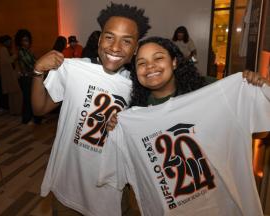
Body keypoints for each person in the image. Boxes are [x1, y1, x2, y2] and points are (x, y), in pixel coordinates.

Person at [98, 37, 270, 216]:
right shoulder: (135, 114)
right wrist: (117, 129)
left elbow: (261, 132)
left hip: (223, 204)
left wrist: (259, 86)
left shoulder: (210, 90)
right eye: (141, 63)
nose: (150, 66)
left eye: (158, 58)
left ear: (174, 62)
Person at [31, 3, 151, 216]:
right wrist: (38, 70)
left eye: (126, 41)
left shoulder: (139, 88)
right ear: (99, 39)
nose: (115, 47)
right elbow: (39, 109)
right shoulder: (76, 69)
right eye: (109, 37)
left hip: (108, 196)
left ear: (135, 49)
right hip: (67, 188)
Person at [15, 29, 42, 124]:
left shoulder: (28, 51)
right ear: (20, 41)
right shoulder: (21, 52)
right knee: (28, 99)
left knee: (32, 98)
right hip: (26, 78)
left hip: (31, 77)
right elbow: (32, 64)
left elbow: (35, 62)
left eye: (27, 40)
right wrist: (38, 65)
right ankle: (27, 119)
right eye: (24, 40)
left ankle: (33, 118)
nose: (26, 42)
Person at [0, 35, 22, 115]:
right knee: (16, 93)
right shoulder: (3, 49)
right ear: (5, 42)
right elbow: (7, 61)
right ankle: (17, 111)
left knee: (13, 94)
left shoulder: (5, 49)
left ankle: (14, 111)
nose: (10, 43)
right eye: (9, 41)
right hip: (9, 76)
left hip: (10, 74)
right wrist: (16, 55)